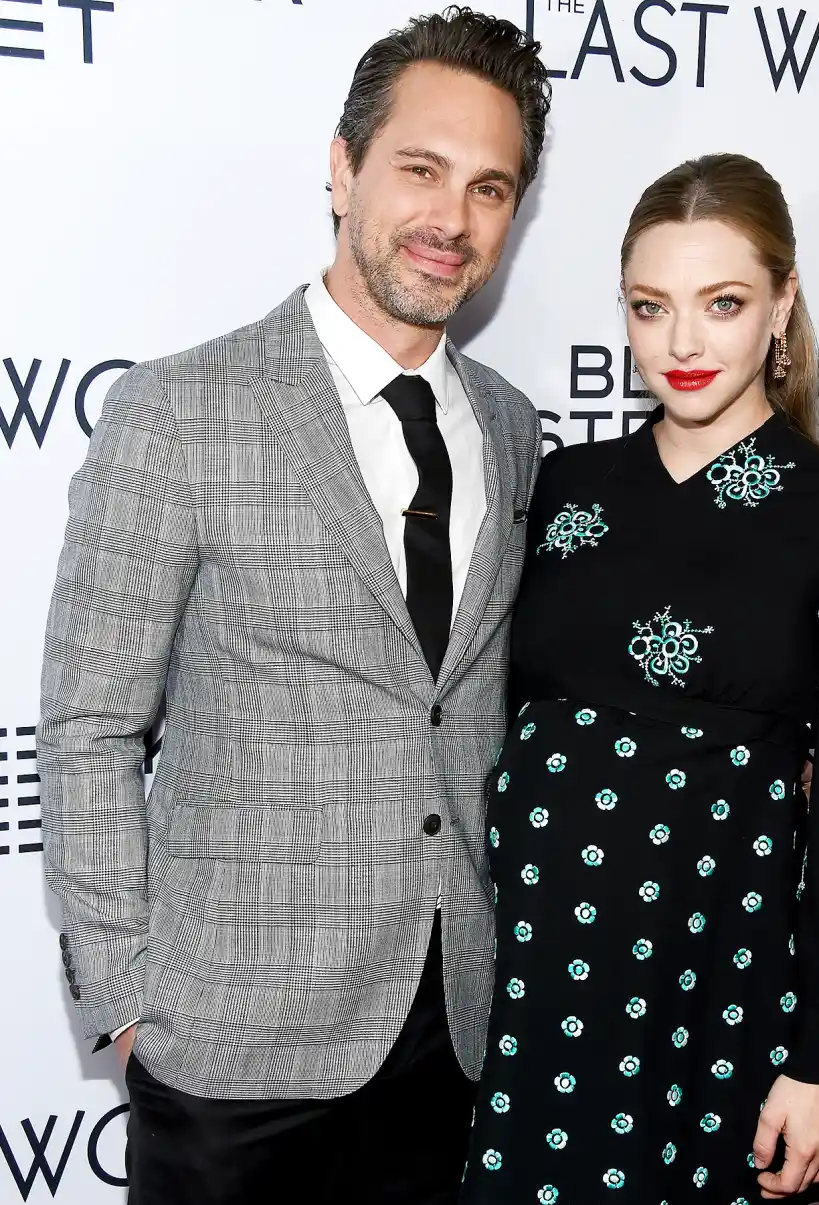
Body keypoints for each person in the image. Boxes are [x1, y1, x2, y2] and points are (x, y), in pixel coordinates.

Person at [37, 9, 550, 1203]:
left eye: (489, 188)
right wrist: (129, 999)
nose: (451, 218)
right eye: (420, 169)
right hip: (229, 1050)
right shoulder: (181, 409)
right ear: (343, 167)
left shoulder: (512, 426)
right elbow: (90, 726)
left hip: (454, 1036)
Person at [460, 153, 819, 1205]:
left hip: (727, 1007)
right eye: (649, 305)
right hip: (539, 1003)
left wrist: (818, 1056)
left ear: (781, 304)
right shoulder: (562, 487)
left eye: (721, 303)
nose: (681, 343)